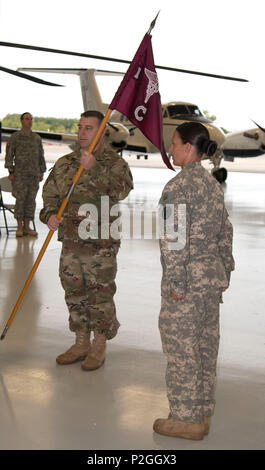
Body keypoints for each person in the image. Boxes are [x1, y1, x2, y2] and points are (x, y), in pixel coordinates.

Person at [153, 122, 235, 440]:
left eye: (173, 144)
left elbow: (173, 241)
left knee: (181, 349)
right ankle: (201, 411)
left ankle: (186, 418)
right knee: (204, 347)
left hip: (186, 284)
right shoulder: (211, 184)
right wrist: (224, 271)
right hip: (210, 282)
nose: (170, 149)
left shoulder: (178, 186)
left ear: (189, 147)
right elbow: (225, 231)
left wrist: (176, 284)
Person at [39, 110, 133, 371]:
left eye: (89, 128)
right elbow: (49, 195)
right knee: (74, 292)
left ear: (102, 132)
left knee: (100, 294)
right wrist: (49, 216)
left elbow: (121, 190)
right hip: (71, 240)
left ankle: (99, 345)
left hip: (100, 242)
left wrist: (93, 170)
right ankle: (81, 341)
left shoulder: (114, 164)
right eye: (80, 127)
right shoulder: (65, 163)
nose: (82, 132)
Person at [5, 112, 46, 237]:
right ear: (21, 121)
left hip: (33, 175)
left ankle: (27, 227)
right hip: (20, 175)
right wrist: (11, 171)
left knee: (31, 201)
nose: (29, 121)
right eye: (27, 119)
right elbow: (9, 154)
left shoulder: (36, 138)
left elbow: (40, 156)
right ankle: (19, 227)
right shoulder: (15, 137)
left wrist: (41, 171)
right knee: (20, 200)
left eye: (31, 119)